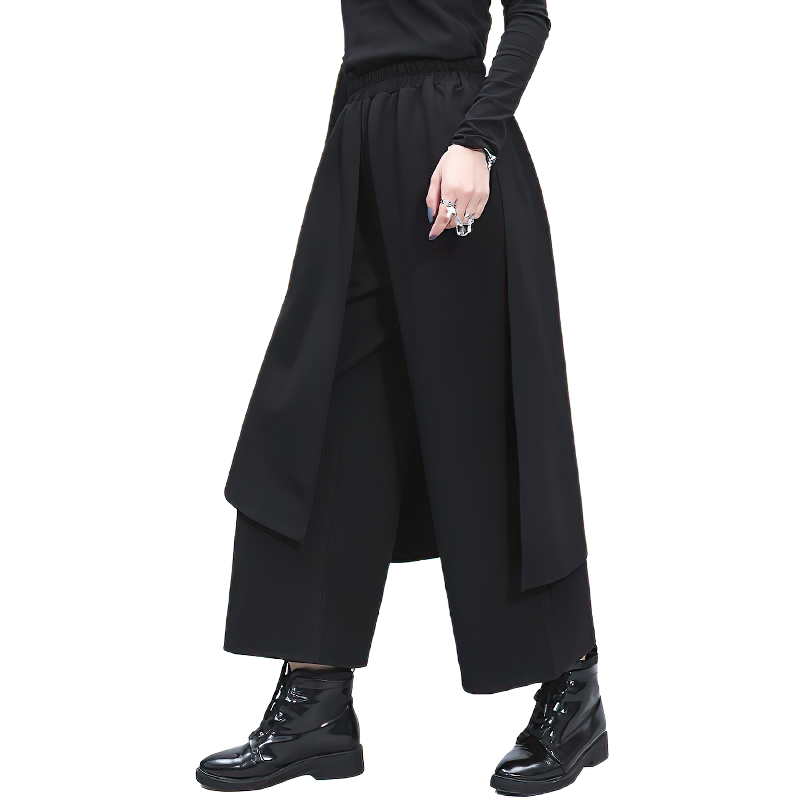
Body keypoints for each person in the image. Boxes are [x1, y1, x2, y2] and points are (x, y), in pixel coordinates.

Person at [196, 1, 608, 795]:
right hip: (357, 145)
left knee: (486, 422)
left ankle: (572, 689)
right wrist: (339, 161)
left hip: (453, 152)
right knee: (318, 410)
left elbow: (529, 17)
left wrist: (478, 138)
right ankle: (314, 700)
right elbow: (366, 49)